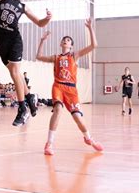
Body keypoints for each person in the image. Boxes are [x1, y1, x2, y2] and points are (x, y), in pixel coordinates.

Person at [36, 19, 103, 155]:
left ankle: (89, 138)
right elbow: (38, 56)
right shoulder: (56, 57)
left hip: (72, 90)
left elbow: (94, 45)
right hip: (58, 86)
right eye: (64, 39)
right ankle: (49, 143)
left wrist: (90, 28)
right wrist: (42, 41)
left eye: (68, 40)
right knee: (58, 110)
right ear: (61, 43)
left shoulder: (75, 55)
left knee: (78, 118)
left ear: (71, 45)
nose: (65, 41)